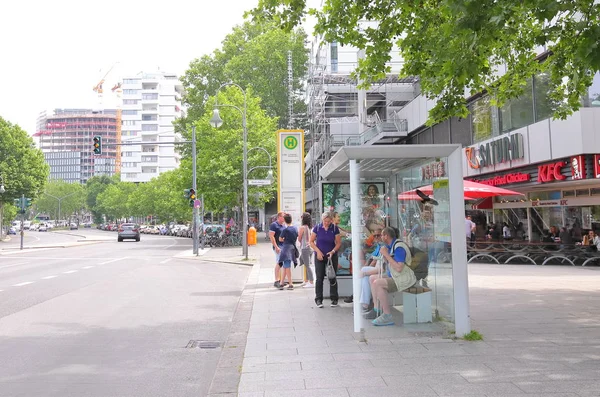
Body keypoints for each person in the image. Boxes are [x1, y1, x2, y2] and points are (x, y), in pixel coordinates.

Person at [365, 227, 416, 326]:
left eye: (381, 235)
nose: (380, 237)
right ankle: (377, 309)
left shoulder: (399, 248)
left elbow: (399, 268)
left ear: (386, 236)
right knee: (372, 278)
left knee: (378, 283)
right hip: (396, 276)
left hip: (404, 278)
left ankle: (387, 315)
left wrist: (386, 255)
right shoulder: (390, 246)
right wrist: (384, 256)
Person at [309, 212, 342, 308]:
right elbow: (311, 241)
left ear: (331, 220)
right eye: (325, 221)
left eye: (328, 221)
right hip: (320, 256)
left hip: (331, 256)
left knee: (332, 277)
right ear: (322, 220)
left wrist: (332, 251)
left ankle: (334, 299)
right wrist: (318, 252)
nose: (326, 223)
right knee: (319, 278)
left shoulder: (334, 229)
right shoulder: (317, 228)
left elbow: (338, 243)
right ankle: (319, 299)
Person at [278, 213, 298, 290]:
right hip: (292, 247)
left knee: (287, 266)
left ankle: (290, 283)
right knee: (285, 266)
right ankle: (282, 283)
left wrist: (285, 240)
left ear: (285, 221)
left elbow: (280, 239)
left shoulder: (285, 230)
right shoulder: (295, 228)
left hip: (286, 248)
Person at [297, 212, 314, 288]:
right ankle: (306, 281)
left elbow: (299, 238)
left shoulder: (302, 227)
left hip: (304, 248)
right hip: (310, 248)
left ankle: (311, 281)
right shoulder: (310, 227)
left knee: (307, 265)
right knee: (306, 264)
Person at [269, 212, 286, 288]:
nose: (284, 218)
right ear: (279, 217)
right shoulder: (274, 225)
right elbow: (271, 236)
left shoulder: (284, 225)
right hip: (278, 246)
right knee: (279, 262)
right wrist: (276, 247)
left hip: (284, 246)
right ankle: (276, 280)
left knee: (281, 263)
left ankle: (280, 280)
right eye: (283, 217)